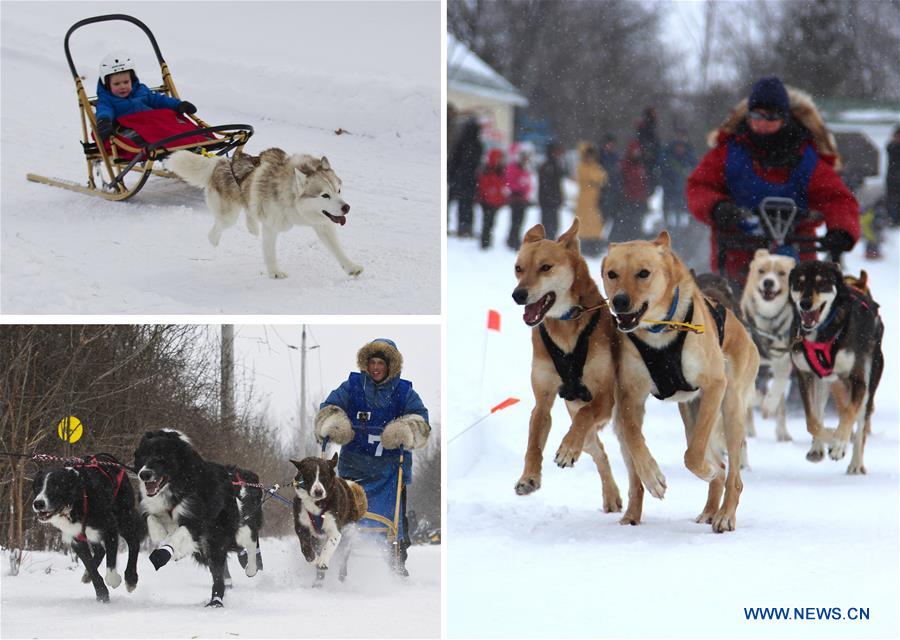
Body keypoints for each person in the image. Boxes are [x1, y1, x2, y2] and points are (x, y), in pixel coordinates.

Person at [687, 75, 859, 284]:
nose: (762, 124)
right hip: (738, 262)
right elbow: (699, 186)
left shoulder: (805, 157)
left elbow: (837, 198)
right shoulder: (728, 152)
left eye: (770, 118)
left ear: (785, 119)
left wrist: (841, 230)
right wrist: (717, 207)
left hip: (797, 268)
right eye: (756, 116)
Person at [314, 339, 431, 577]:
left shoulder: (404, 392)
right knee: (344, 515)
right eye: (372, 362)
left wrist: (405, 430)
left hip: (390, 470)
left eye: (381, 363)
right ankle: (337, 560)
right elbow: (330, 407)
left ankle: (397, 562)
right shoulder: (353, 386)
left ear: (391, 366)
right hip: (354, 467)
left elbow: (421, 420)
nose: (376, 367)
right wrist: (334, 423)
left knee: (394, 518)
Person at [94, 52, 196, 142]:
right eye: (117, 84)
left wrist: (179, 104)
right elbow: (104, 110)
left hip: (151, 121)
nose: (122, 87)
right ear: (107, 85)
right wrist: (104, 120)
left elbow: (159, 100)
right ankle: (151, 145)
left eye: (126, 82)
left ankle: (192, 137)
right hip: (129, 126)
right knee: (133, 136)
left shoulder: (141, 90)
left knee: (170, 121)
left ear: (132, 80)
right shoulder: (107, 99)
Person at [448, 118, 484, 238]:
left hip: (460, 178)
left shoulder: (461, 143)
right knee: (467, 204)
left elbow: (453, 161)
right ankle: (466, 227)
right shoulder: (477, 145)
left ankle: (460, 226)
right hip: (470, 180)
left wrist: (451, 175)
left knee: (460, 204)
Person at [609, 138, 649, 243]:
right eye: (635, 152)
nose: (637, 154)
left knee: (636, 227)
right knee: (623, 227)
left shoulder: (641, 166)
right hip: (626, 202)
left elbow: (643, 184)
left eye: (638, 152)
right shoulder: (623, 165)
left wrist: (644, 199)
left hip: (638, 201)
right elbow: (618, 183)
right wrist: (622, 196)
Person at [574, 141, 608, 256]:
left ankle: (595, 247)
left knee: (595, 225)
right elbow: (589, 177)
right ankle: (586, 248)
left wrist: (595, 180)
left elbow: (602, 177)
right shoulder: (581, 167)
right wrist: (595, 180)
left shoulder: (595, 166)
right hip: (584, 200)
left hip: (595, 200)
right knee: (584, 226)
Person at [660, 130, 698, 229]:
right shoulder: (667, 155)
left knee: (684, 213)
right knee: (672, 213)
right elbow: (664, 170)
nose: (680, 149)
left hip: (684, 191)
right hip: (671, 190)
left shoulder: (689, 155)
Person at [477, 148, 508, 249]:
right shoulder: (487, 170)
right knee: (487, 222)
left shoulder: (500, 170)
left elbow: (502, 185)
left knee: (491, 222)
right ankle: (485, 242)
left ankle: (487, 240)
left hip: (496, 201)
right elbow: (483, 185)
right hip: (487, 201)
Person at [504, 145, 533, 250]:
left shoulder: (525, 169)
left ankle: (515, 239)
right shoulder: (513, 168)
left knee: (520, 220)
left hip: (523, 199)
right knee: (515, 220)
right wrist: (518, 189)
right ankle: (512, 240)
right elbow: (510, 182)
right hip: (516, 198)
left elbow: (528, 183)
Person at [537, 141, 566, 241]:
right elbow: (548, 186)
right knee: (549, 226)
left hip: (551, 201)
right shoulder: (549, 166)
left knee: (552, 226)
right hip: (549, 202)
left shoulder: (553, 164)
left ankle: (549, 243)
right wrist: (554, 198)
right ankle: (548, 244)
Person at [887, 125, 900, 227]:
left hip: (893, 179)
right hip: (893, 180)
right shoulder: (892, 147)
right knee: (893, 201)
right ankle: (894, 221)